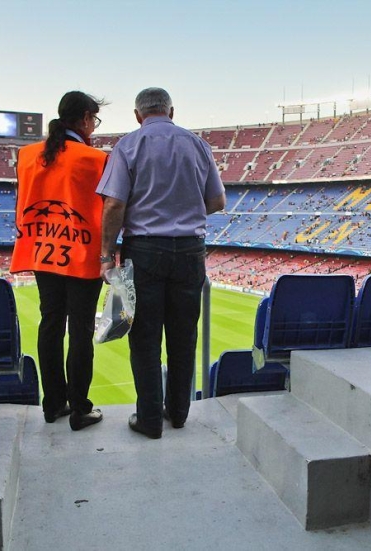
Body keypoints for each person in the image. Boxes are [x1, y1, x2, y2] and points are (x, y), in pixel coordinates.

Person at [97, 87, 226, 439]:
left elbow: (114, 205)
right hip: (190, 252)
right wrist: (185, 209)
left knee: (144, 339)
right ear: (171, 111)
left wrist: (107, 255)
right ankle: (179, 414)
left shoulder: (128, 145)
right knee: (183, 338)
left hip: (144, 251)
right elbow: (217, 201)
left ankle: (150, 420)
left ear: (138, 115)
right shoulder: (198, 145)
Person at [10, 91, 107, 431]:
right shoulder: (95, 158)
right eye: (94, 120)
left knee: (50, 323)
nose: (94, 126)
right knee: (80, 331)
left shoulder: (26, 155)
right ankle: (80, 408)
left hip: (42, 251)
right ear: (85, 119)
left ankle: (52, 404)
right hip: (82, 254)